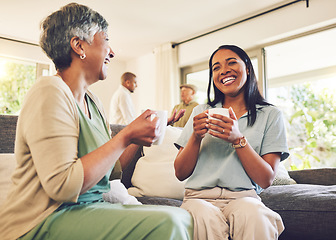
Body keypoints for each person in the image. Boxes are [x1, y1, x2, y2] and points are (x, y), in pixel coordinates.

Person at [0, 3, 192, 240]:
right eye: (106, 40)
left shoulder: (93, 102)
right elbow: (63, 186)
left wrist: (137, 136)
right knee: (169, 223)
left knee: (183, 217)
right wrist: (125, 135)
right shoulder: (49, 91)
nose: (111, 52)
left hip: (86, 210)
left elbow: (111, 172)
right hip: (41, 220)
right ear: (79, 45)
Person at [174, 45, 289, 240]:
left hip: (244, 197)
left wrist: (238, 139)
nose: (224, 70)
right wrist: (195, 136)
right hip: (198, 198)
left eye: (231, 62)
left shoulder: (271, 115)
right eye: (216, 67)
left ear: (248, 68)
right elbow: (180, 173)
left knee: (255, 216)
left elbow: (266, 179)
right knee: (202, 217)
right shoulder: (200, 111)